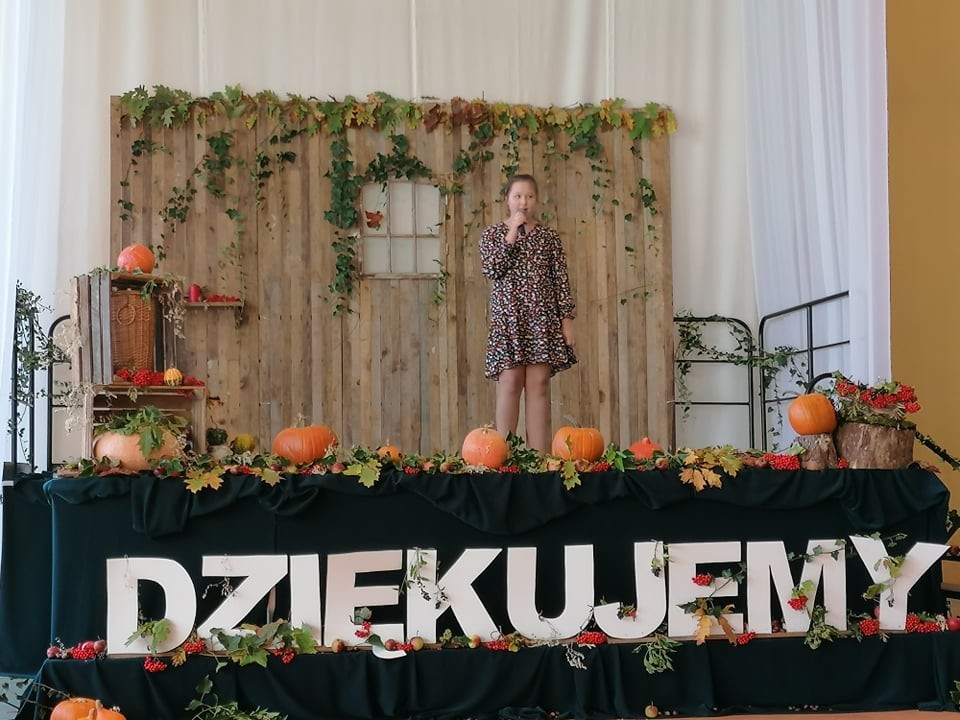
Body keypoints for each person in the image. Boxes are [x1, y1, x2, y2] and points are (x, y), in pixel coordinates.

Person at [479, 174, 577, 453]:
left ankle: (538, 457)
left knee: (539, 384)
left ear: (536, 200)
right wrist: (512, 232)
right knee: (510, 381)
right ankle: (504, 455)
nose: (524, 202)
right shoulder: (492, 235)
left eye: (529, 196)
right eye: (518, 196)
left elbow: (560, 281)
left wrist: (566, 321)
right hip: (509, 319)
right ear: (507, 199)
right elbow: (492, 269)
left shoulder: (549, 238)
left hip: (541, 319)